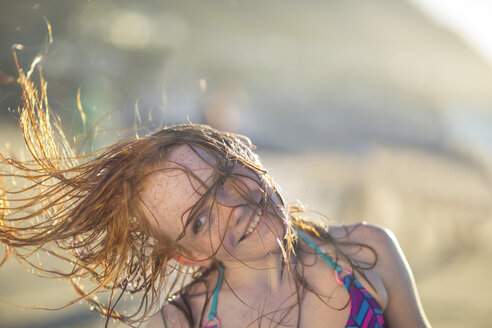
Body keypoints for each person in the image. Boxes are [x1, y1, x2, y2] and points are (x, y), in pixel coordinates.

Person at [0, 59, 430, 328]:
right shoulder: (178, 323)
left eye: (224, 176)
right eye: (199, 220)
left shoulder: (369, 251)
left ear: (243, 153)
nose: (234, 206)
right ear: (187, 255)